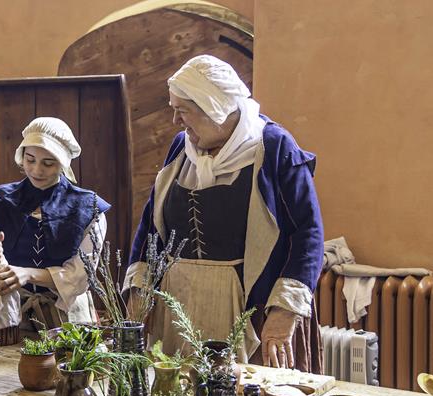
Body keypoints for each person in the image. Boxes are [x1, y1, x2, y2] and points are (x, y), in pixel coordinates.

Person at [125, 55, 324, 373]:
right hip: (177, 308)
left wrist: (286, 310)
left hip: (248, 313)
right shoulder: (181, 148)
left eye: (183, 110)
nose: (176, 120)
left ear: (213, 106)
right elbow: (151, 227)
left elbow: (308, 234)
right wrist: (139, 296)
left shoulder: (273, 148)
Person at [0, 117, 110, 332]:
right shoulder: (1, 202)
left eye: (48, 163)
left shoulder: (90, 209)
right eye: (30, 160)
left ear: (64, 162)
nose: (37, 170)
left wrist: (26, 274)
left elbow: (79, 276)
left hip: (66, 320)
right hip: (8, 318)